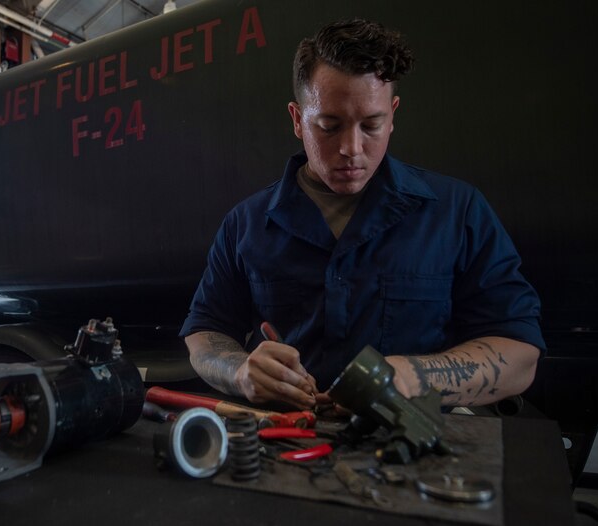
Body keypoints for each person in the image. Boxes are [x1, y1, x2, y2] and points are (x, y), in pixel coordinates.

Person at [179, 19, 545, 410]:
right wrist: (238, 370)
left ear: (393, 114)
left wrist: (412, 378)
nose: (351, 148)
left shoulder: (458, 212)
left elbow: (521, 356)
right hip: (288, 447)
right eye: (329, 126)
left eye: (371, 125)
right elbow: (205, 336)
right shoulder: (245, 224)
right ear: (297, 120)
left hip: (421, 452)